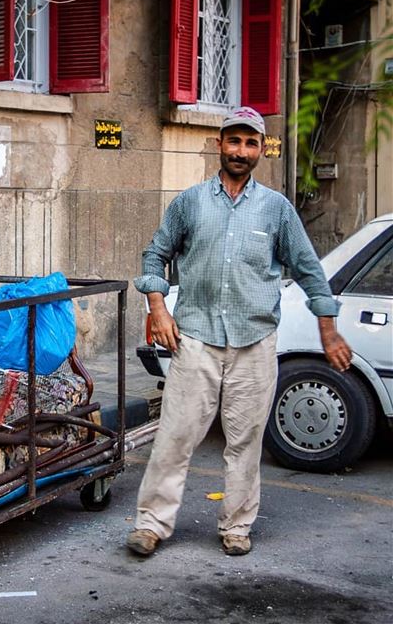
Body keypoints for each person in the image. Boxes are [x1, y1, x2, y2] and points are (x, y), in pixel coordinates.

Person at [127, 106, 352, 557]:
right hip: (195, 339)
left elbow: (309, 270)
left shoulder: (276, 210)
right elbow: (155, 256)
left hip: (254, 343)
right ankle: (151, 524)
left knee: (245, 442)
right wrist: (158, 307)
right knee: (174, 436)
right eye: (234, 141)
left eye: (251, 143)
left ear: (261, 151)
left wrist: (328, 330)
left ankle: (236, 526)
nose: (241, 151)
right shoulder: (190, 202)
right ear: (219, 145)